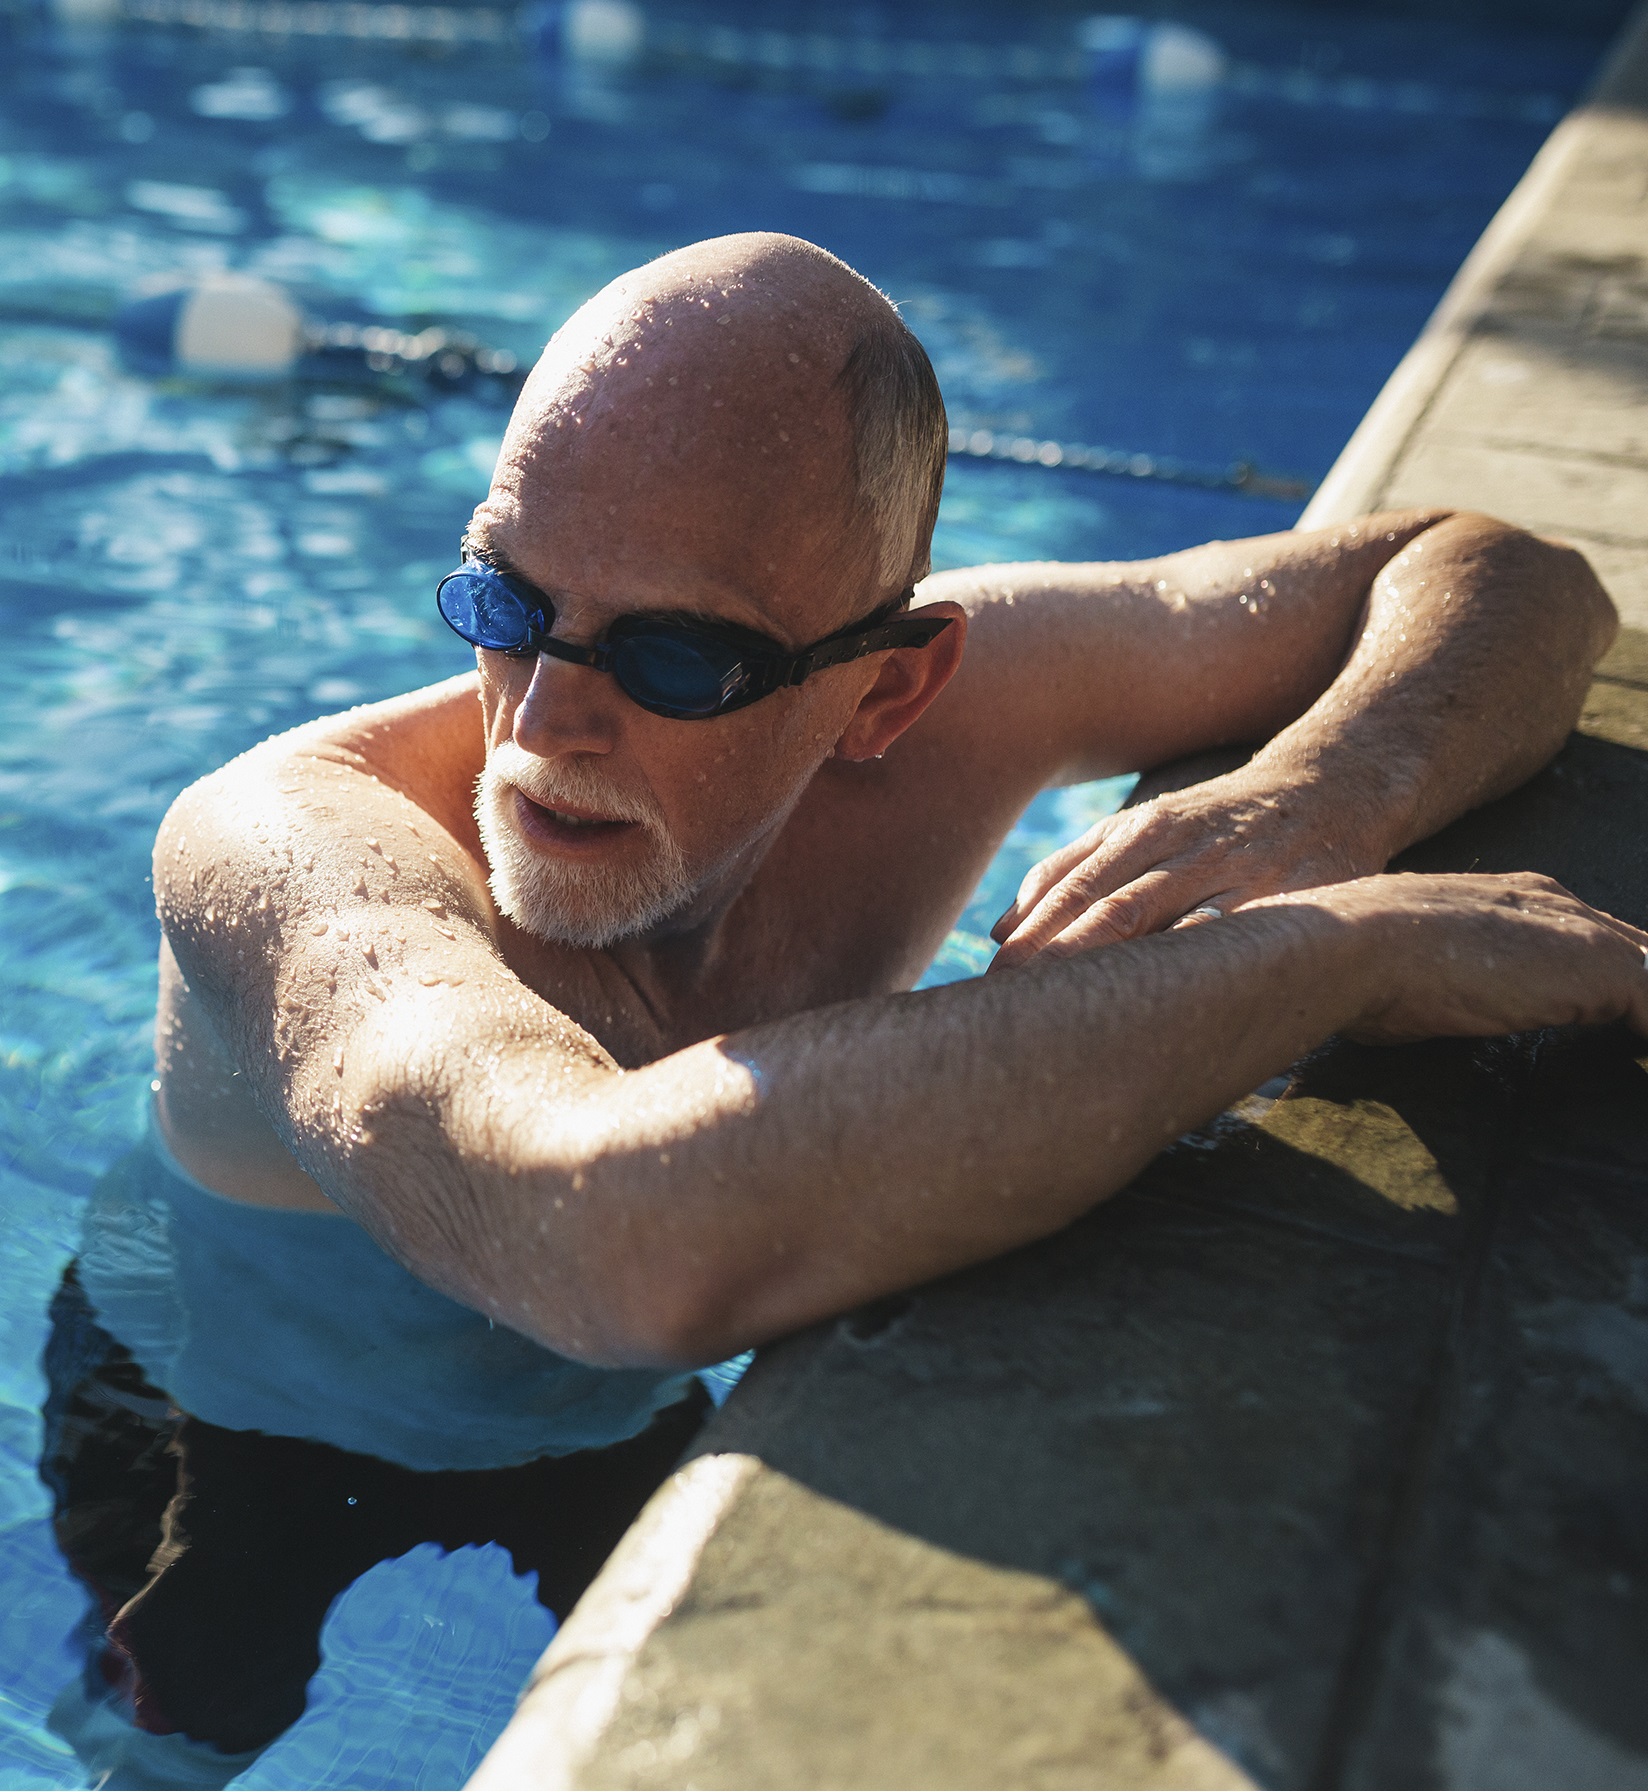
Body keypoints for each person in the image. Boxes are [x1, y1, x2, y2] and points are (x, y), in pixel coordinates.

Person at [55, 229, 1648, 1769]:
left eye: (673, 662)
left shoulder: (947, 714)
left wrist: (1314, 797)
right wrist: (1329, 950)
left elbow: (1507, 574)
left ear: (890, 686)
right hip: (230, 1417)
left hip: (615, 1411)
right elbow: (609, 1234)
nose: (544, 720)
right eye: (504, 603)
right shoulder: (286, 843)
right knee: (187, 1721)